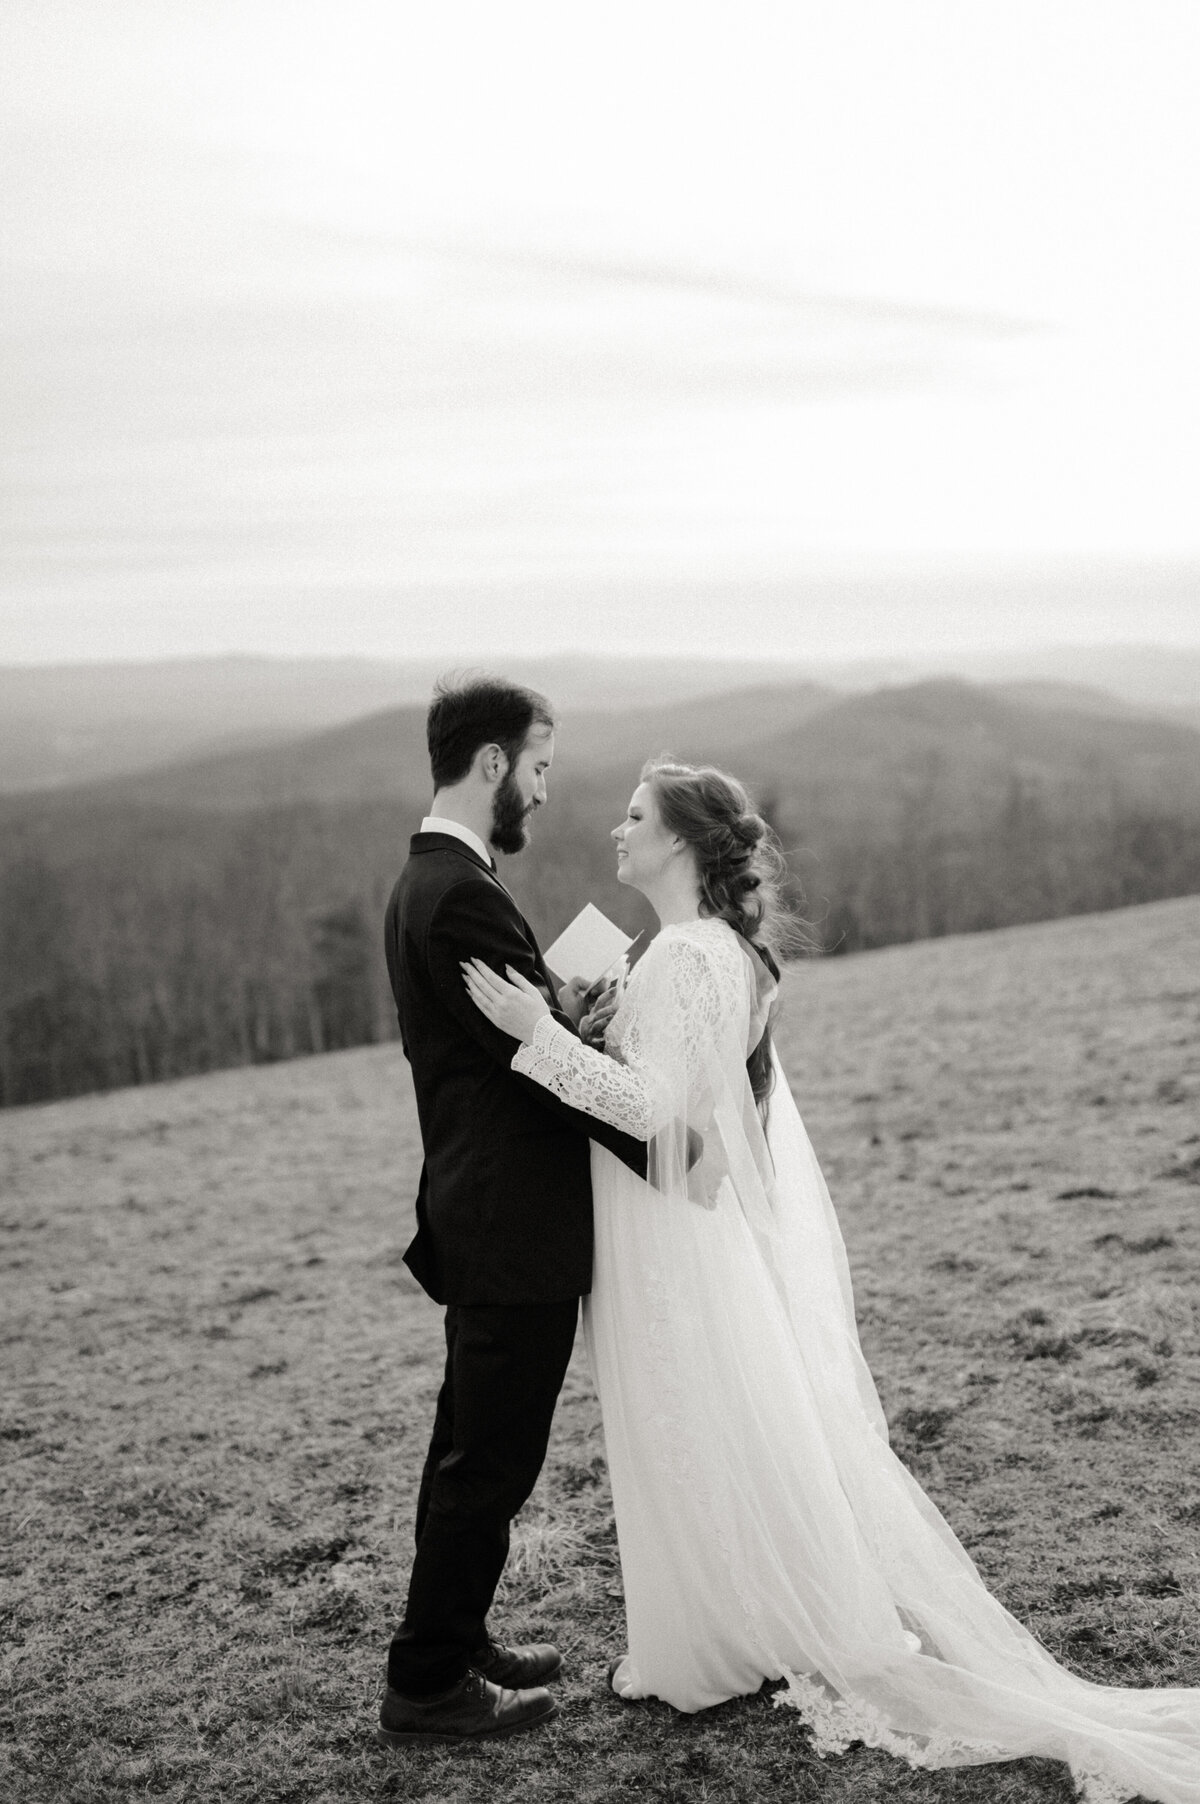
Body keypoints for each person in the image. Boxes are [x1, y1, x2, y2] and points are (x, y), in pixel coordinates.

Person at [463, 756, 1200, 1804]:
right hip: (680, 1223)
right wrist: (586, 1009)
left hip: (668, 1229)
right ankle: (734, 1618)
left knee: (682, 1413)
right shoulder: (701, 950)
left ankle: (708, 1646)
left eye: (636, 818)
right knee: (709, 1415)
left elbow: (655, 1113)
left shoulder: (683, 956)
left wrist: (536, 1033)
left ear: (678, 840)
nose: (617, 833)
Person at [377, 676, 647, 1748]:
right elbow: (533, 1069)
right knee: (488, 1460)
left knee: (469, 1449)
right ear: (491, 764)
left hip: (485, 1209)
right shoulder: (462, 894)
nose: (541, 791)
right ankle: (429, 1679)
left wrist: (557, 1006)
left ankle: (455, 1635)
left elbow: (503, 1041)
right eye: (537, 769)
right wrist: (664, 1134)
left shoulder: (432, 881)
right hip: (509, 1222)